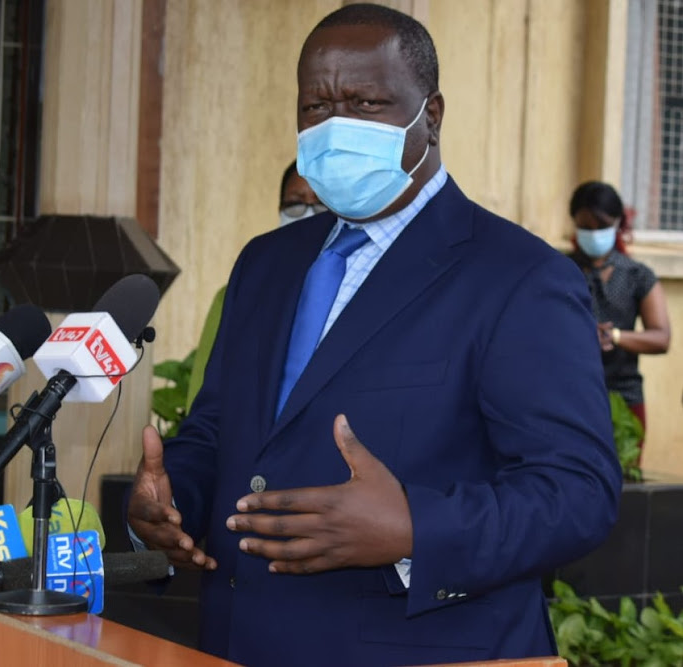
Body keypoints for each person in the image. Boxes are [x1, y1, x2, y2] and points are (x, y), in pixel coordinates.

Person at [128, 4, 622, 664]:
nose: (337, 127)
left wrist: (417, 528)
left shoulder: (520, 277)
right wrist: (173, 498)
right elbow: (221, 427)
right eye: (316, 106)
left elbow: (578, 491)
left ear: (432, 114)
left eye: (366, 102)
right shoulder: (266, 263)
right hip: (237, 641)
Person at [185, 161, 324, 413]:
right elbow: (204, 391)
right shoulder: (241, 291)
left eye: (320, 202)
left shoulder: (346, 291)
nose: (307, 212)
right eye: (295, 203)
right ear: (279, 208)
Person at [568, 180, 671, 443]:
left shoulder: (638, 275)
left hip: (624, 399)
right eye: (585, 228)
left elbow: (661, 338)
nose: (593, 234)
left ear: (617, 224)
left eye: (601, 227)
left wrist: (614, 337)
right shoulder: (559, 270)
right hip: (569, 397)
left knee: (626, 480)